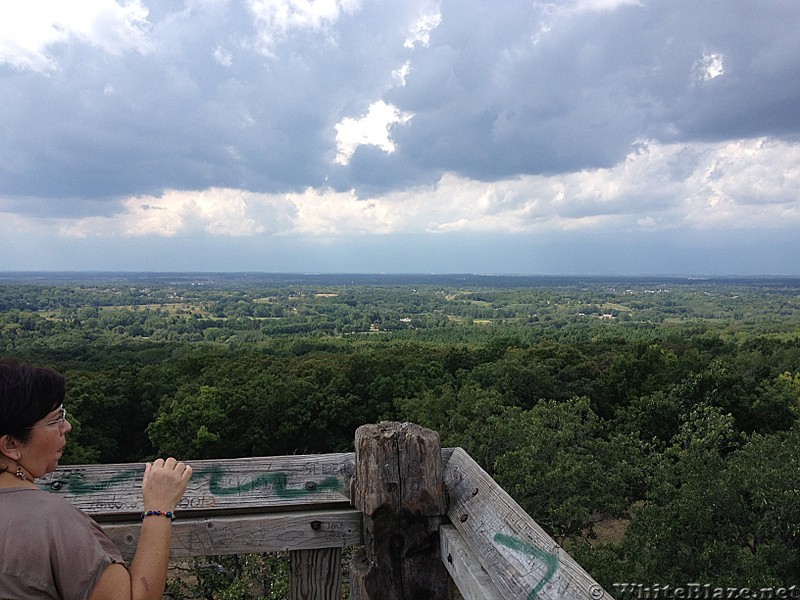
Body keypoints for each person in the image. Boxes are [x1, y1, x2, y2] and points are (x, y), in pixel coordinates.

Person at [0, 358, 193, 600]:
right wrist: (159, 507)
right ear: (11, 444)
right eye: (55, 420)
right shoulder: (53, 522)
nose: (67, 426)